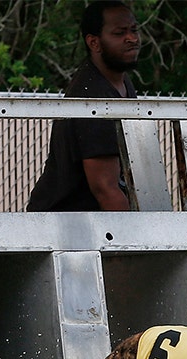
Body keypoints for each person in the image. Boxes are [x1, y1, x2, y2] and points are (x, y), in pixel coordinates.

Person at [27, 1, 140, 211]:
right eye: (119, 33)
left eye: (134, 30)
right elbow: (106, 190)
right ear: (94, 43)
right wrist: (142, 239)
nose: (132, 38)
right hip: (63, 227)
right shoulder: (93, 97)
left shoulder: (121, 83)